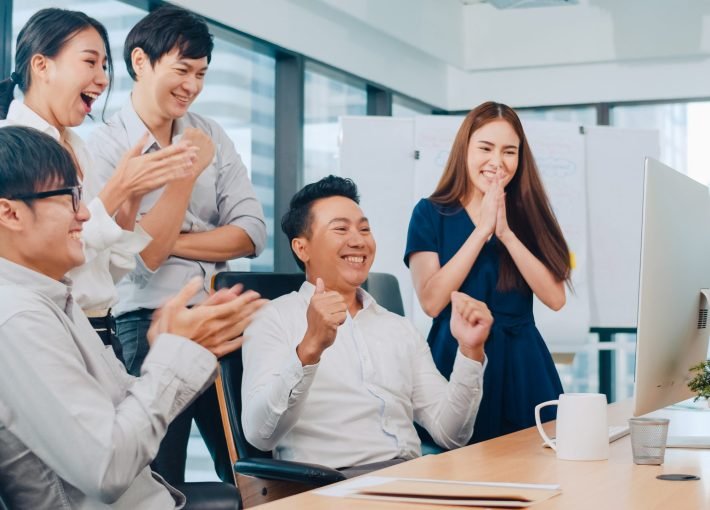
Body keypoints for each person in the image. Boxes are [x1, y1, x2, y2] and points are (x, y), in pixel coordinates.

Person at [0, 126, 264, 509]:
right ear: (9, 212)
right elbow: (106, 468)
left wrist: (180, 349)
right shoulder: (19, 319)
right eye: (70, 198)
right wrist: (174, 355)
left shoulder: (54, 299)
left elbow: (127, 409)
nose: (85, 213)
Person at [90, 5, 267, 485]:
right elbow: (142, 255)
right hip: (146, 322)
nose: (192, 85)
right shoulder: (106, 148)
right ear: (142, 62)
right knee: (157, 474)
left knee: (246, 470)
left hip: (219, 316)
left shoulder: (210, 134)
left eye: (201, 74)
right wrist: (185, 178)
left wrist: (167, 236)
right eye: (182, 70)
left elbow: (251, 232)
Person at [241, 175, 491, 473]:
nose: (358, 240)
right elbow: (260, 435)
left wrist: (470, 351)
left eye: (364, 228)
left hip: (411, 479)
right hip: (329, 487)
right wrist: (309, 350)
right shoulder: (273, 319)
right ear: (302, 248)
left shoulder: (398, 328)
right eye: (341, 229)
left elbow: (451, 434)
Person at [0, 8, 198, 362]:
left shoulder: (78, 148)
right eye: (90, 62)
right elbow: (46, 260)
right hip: (52, 336)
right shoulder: (9, 148)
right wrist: (119, 187)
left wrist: (131, 199)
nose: (103, 78)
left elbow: (105, 272)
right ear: (42, 66)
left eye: (105, 66)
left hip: (105, 336)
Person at [405, 101, 571, 443]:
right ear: (464, 150)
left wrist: (506, 233)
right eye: (485, 148)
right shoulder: (429, 213)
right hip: (457, 357)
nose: (497, 161)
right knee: (457, 467)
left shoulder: (531, 213)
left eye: (509, 152)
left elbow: (555, 298)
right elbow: (432, 302)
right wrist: (481, 231)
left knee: (538, 463)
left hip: (524, 363)